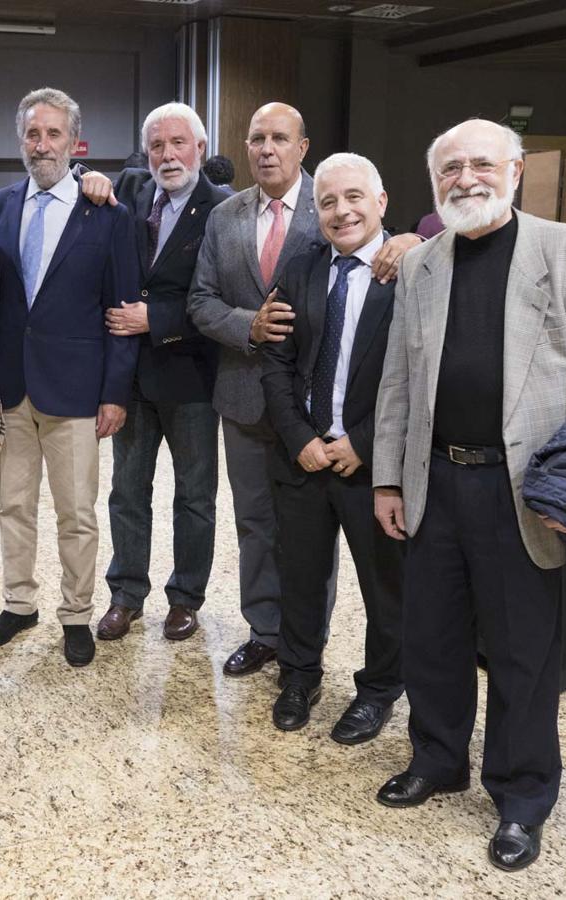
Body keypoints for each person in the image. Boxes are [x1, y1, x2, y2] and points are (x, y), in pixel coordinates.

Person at [372, 118, 566, 871]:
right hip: (434, 482)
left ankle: (522, 797)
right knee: (432, 636)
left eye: (481, 164)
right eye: (450, 168)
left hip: (529, 492)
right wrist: (389, 477)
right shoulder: (422, 264)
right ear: (434, 183)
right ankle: (436, 758)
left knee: (523, 652)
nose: (466, 179)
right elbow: (397, 381)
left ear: (516, 172)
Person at [187, 101, 419, 677]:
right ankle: (267, 631)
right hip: (246, 396)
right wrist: (251, 326)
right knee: (257, 525)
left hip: (329, 417)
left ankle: (309, 639)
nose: (267, 149)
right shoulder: (225, 216)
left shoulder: (336, 197)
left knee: (323, 540)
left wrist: (415, 239)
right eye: (257, 138)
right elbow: (201, 301)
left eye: (279, 138)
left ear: (302, 147)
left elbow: (389, 244)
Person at [0, 87, 137, 667]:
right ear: (22, 140)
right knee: (13, 507)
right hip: (14, 388)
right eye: (33, 134)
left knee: (77, 513)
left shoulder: (109, 215)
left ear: (75, 142)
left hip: (76, 391)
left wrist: (115, 393)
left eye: (54, 134)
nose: (43, 145)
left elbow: (122, 315)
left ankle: (76, 613)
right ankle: (20, 604)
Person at [259, 153, 403, 744]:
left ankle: (378, 691)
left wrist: (362, 445)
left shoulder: (410, 272)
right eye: (327, 202)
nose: (341, 211)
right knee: (300, 575)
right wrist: (300, 438)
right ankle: (299, 674)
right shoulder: (301, 267)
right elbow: (275, 359)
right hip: (304, 458)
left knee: (385, 585)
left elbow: (421, 379)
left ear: (381, 202)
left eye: (354, 198)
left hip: (373, 466)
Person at [95, 102, 228, 643]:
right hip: (131, 377)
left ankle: (185, 597)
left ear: (200, 148)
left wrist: (158, 319)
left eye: (178, 144)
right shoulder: (129, 192)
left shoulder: (222, 210)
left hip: (192, 376)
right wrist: (92, 181)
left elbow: (224, 297)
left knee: (195, 496)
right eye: (157, 146)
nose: (167, 155)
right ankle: (126, 595)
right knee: (128, 490)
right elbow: (88, 182)